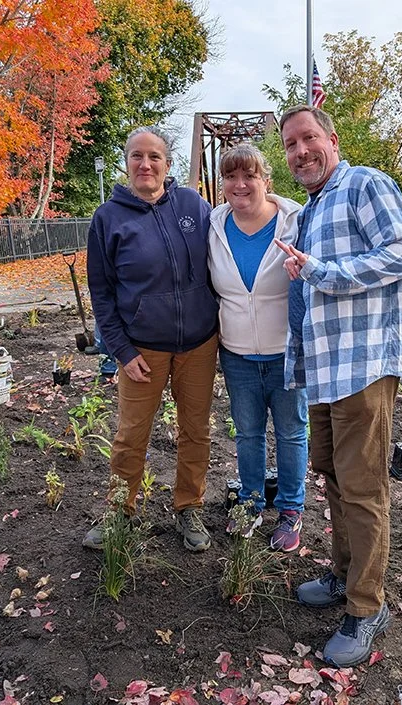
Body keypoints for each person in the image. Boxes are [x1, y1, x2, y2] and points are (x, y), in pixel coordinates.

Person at [273, 105, 402, 667]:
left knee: (362, 487)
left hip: (362, 367)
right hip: (325, 369)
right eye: (290, 145)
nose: (300, 151)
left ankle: (366, 606)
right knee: (334, 475)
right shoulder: (312, 208)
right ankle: (343, 574)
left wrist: (323, 273)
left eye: (308, 138)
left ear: (332, 140)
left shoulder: (363, 184)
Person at [84, 125, 219, 553]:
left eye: (154, 156)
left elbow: (234, 237)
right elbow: (102, 294)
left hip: (198, 343)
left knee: (195, 430)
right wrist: (122, 351)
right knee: (131, 432)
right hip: (142, 349)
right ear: (127, 163)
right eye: (137, 156)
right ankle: (119, 510)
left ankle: (189, 506)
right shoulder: (108, 219)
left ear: (167, 163)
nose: (145, 164)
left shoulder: (194, 206)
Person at [207, 144, 309, 552]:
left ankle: (290, 509)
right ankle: (250, 503)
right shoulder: (213, 226)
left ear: (267, 180)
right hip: (237, 355)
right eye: (231, 176)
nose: (240, 185)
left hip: (286, 352)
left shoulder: (296, 222)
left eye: (249, 176)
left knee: (290, 432)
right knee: (248, 433)